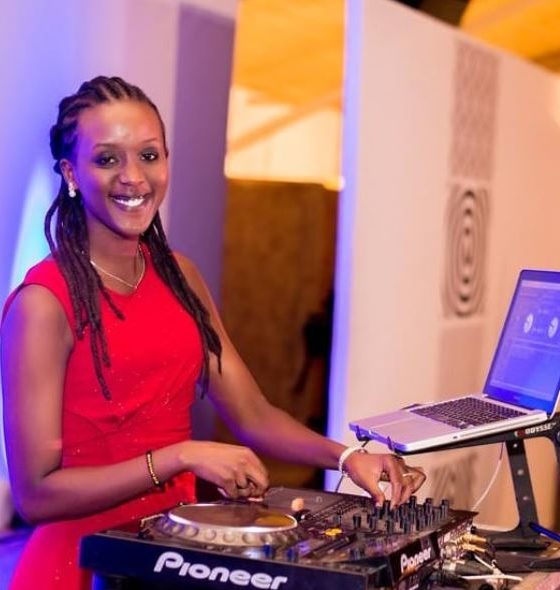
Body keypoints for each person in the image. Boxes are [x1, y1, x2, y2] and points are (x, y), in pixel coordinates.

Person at [0, 76, 426, 590]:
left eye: (149, 155)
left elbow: (253, 414)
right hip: (83, 565)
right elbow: (36, 495)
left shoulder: (179, 274)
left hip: (179, 555)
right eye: (107, 159)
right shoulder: (43, 303)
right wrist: (182, 456)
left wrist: (347, 457)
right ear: (71, 172)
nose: (133, 177)